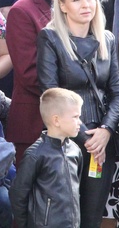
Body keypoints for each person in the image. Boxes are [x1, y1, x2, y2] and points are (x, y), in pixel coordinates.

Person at [37, 0, 119, 228]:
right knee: (65, 214)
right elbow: (50, 92)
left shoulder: (106, 39)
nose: (86, 4)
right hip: (67, 141)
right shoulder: (50, 38)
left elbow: (117, 91)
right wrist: (86, 138)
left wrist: (107, 131)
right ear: (62, 5)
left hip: (102, 139)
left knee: (92, 214)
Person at [6, 0, 80, 162]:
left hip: (69, 119)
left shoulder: (71, 6)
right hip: (35, 122)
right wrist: (74, 86)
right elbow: (29, 72)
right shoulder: (23, 11)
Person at [9, 87, 84, 227]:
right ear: (56, 120)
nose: (80, 122)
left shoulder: (75, 151)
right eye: (75, 117)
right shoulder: (36, 155)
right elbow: (18, 194)